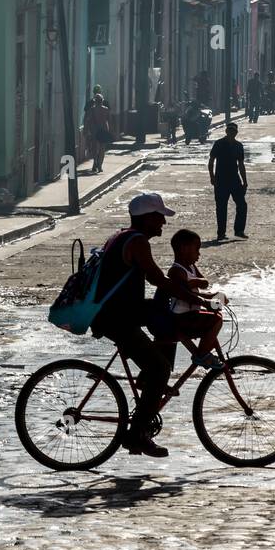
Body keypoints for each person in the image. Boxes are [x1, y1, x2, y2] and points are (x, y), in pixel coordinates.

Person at [91, 192, 202, 458]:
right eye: (160, 217)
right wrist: (193, 298)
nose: (163, 223)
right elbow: (157, 279)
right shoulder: (138, 241)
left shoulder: (122, 235)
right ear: (148, 218)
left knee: (166, 323)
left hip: (122, 311)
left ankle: (147, 382)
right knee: (160, 367)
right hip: (116, 318)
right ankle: (137, 434)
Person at [153, 229, 226, 370]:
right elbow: (186, 295)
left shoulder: (191, 267)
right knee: (216, 320)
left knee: (216, 307)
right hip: (181, 316)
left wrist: (209, 295)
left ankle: (200, 354)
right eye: (197, 249)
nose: (199, 254)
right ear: (184, 249)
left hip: (190, 312)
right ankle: (202, 354)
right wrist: (202, 295)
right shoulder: (176, 271)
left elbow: (203, 283)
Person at [209, 122, 249, 241]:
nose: (232, 133)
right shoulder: (219, 144)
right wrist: (212, 177)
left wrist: (245, 181)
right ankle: (221, 233)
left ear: (236, 132)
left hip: (234, 180)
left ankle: (239, 230)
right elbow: (211, 161)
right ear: (226, 131)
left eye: (234, 131)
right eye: (230, 130)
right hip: (220, 180)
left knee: (242, 205)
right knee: (221, 207)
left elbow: (241, 164)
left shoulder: (238, 146)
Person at [86, 93, 111, 173]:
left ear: (95, 101)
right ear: (102, 101)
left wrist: (88, 130)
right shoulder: (106, 109)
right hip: (104, 130)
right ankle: (100, 166)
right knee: (102, 149)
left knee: (95, 149)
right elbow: (108, 120)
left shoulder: (92, 110)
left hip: (95, 131)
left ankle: (95, 163)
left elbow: (88, 121)